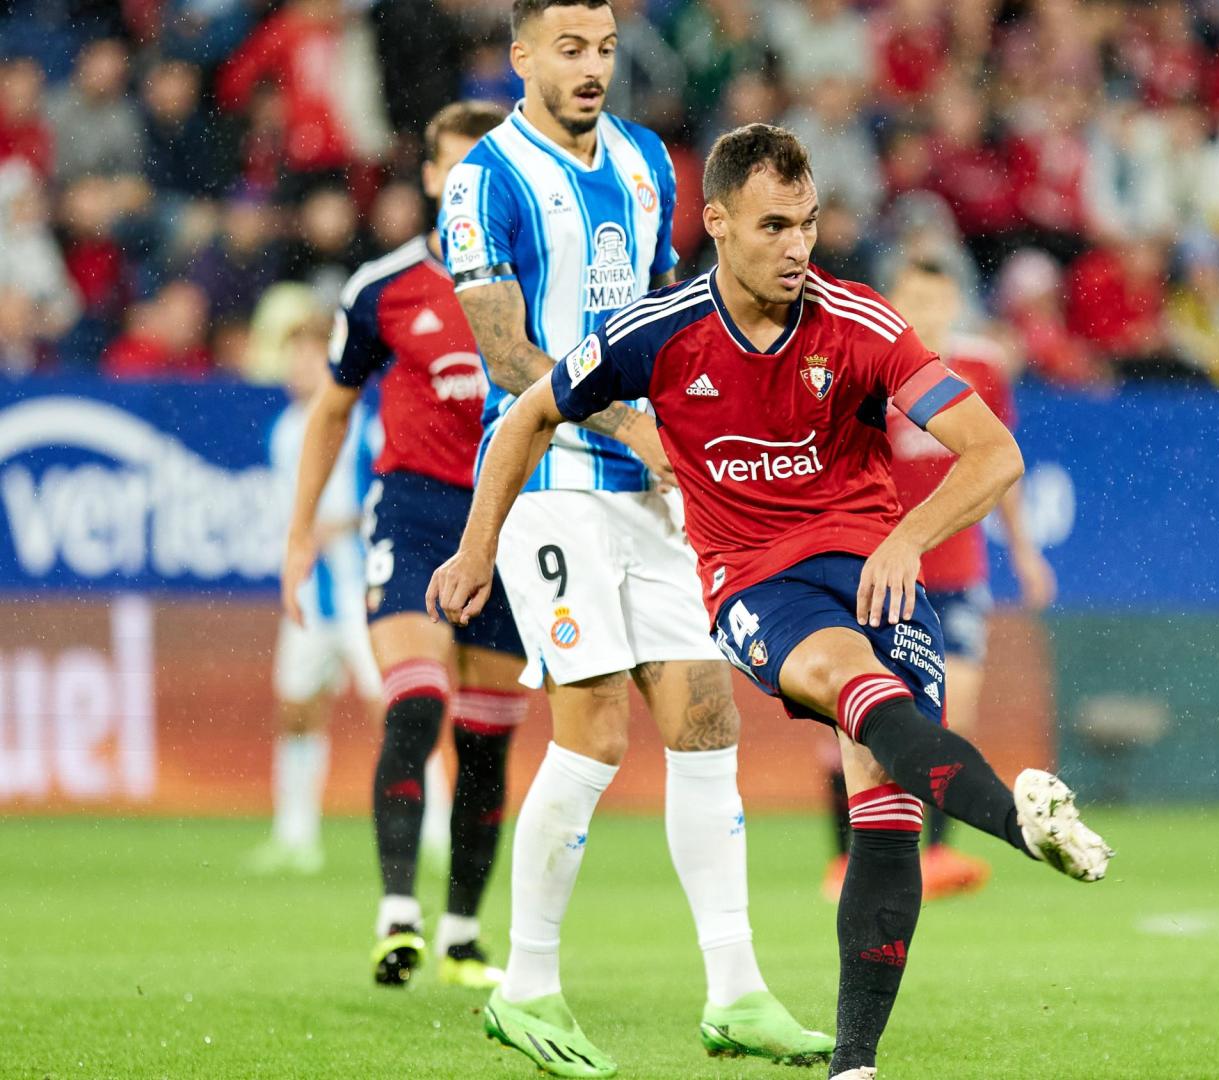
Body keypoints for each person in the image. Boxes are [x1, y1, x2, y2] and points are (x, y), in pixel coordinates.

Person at [429, 122, 1112, 1080]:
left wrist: (910, 537)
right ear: (715, 223)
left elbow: (993, 452)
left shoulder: (862, 325)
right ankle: (1022, 824)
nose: (798, 246)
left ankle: (856, 1064)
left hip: (873, 565)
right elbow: (527, 419)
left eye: (810, 224)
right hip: (757, 581)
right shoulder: (655, 334)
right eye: (774, 225)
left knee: (886, 806)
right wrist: (473, 549)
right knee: (850, 686)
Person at [434, 0, 829, 1070]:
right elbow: (509, 353)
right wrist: (630, 418)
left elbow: (664, 313)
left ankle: (738, 993)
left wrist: (705, 427)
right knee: (595, 733)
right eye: (569, 49)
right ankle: (526, 988)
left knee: (707, 721)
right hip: (552, 477)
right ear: (521, 58)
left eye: (604, 49)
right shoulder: (487, 177)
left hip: (651, 487)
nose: (592, 66)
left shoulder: (652, 160)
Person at [282, 101, 528, 990]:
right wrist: (302, 530)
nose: (469, 191)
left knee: (489, 741)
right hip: (418, 511)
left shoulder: (536, 283)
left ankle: (463, 932)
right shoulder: (382, 287)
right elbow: (334, 408)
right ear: (430, 179)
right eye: (456, 174)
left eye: (485, 176)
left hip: (512, 520)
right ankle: (398, 915)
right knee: (417, 704)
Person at [819, 259, 1056, 903]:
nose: (927, 310)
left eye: (938, 298)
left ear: (955, 302)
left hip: (959, 570)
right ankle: (841, 859)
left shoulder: (980, 369)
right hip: (880, 568)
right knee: (852, 710)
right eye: (915, 297)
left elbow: (999, 464)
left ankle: (940, 853)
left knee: (953, 705)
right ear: (897, 300)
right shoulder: (874, 362)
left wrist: (1025, 551)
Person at [252, 312, 382, 877]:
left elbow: (388, 497)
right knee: (297, 711)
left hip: (361, 592)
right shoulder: (283, 431)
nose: (298, 367)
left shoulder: (362, 424)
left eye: (309, 355)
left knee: (397, 710)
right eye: (292, 357)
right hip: (309, 594)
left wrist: (347, 525)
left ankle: (431, 830)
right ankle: (295, 836)